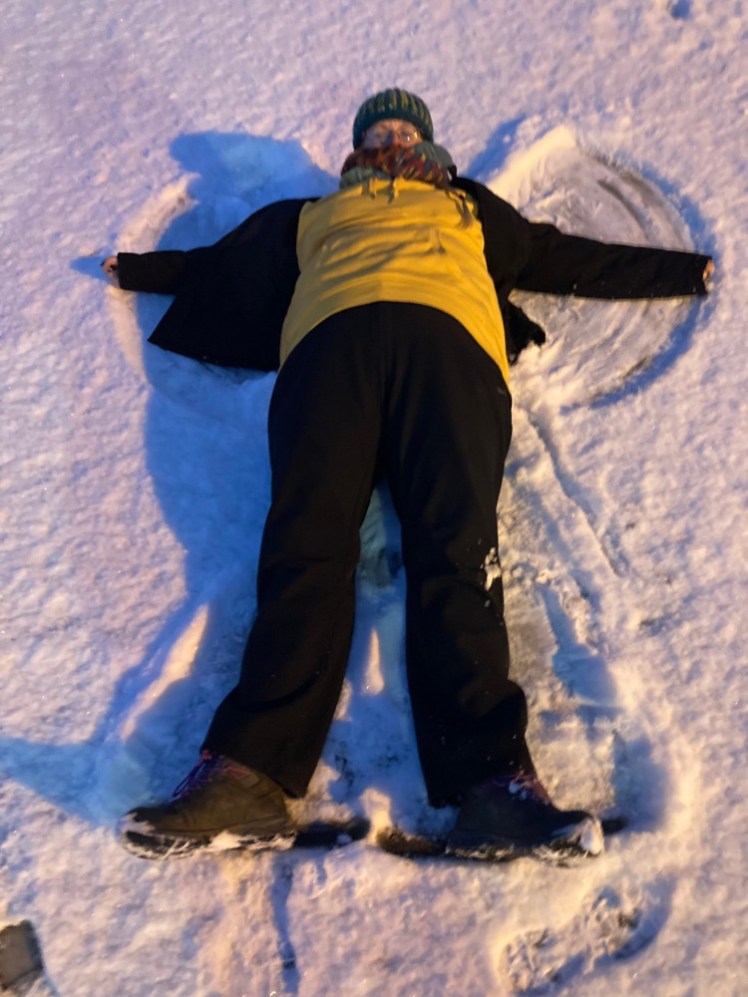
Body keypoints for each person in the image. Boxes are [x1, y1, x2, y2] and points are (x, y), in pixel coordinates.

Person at [104, 89, 714, 861]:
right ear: (358, 148)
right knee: (306, 546)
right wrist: (139, 269)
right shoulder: (314, 215)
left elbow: (562, 256)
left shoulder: (469, 208)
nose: (391, 137)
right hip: (329, 348)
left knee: (459, 551)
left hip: (450, 348)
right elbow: (223, 268)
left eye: (403, 127)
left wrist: (683, 270)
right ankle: (245, 776)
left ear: (428, 143)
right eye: (377, 130)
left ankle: (492, 782)